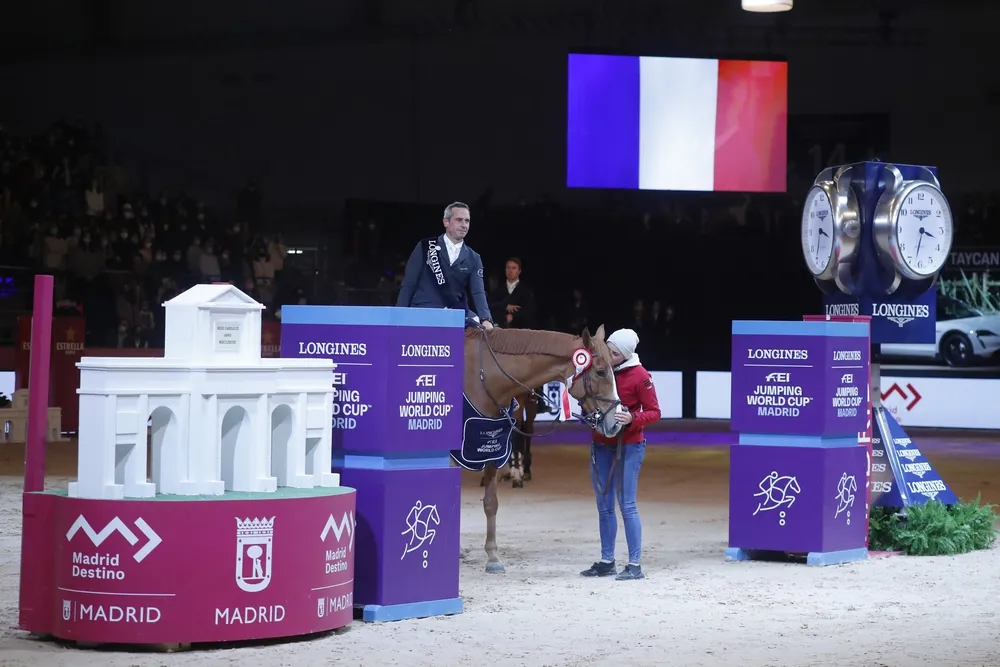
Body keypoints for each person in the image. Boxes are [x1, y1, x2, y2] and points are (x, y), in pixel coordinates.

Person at [580, 328, 660, 581]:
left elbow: (655, 411)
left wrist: (632, 418)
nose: (609, 355)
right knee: (604, 506)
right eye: (609, 350)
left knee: (627, 505)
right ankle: (607, 561)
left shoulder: (640, 376)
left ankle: (635, 564)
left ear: (625, 355)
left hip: (630, 445)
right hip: (601, 444)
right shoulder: (601, 369)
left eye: (614, 353)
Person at [396, 201, 493, 328]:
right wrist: (398, 315)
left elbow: (478, 292)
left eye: (467, 221)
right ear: (446, 222)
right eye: (459, 220)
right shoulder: (425, 247)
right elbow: (409, 284)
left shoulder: (474, 258)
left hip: (454, 315)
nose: (464, 225)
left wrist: (486, 318)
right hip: (423, 312)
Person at [489, 257, 536, 329]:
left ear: (519, 271)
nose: (510, 271)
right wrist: (505, 306)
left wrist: (513, 316)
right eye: (508, 268)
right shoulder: (498, 290)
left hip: (522, 330)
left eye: (514, 268)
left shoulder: (526, 290)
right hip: (501, 330)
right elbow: (490, 305)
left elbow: (530, 310)